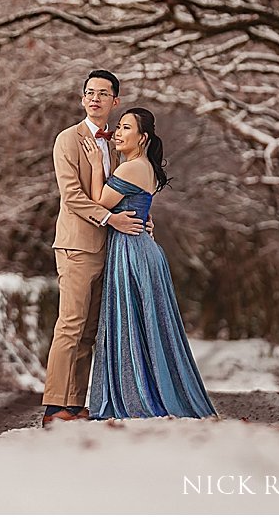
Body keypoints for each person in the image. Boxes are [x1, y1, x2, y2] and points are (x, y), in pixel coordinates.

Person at [80, 106, 218, 420]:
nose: (117, 132)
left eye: (126, 128)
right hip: (141, 248)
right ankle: (147, 389)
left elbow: (98, 201)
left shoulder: (132, 168)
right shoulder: (141, 166)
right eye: (118, 127)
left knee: (133, 323)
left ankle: (137, 396)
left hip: (131, 251)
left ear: (143, 138)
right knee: (143, 325)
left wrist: (94, 164)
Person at [41, 69, 145, 426]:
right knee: (69, 325)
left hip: (111, 248)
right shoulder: (68, 140)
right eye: (89, 93)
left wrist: (139, 218)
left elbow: (123, 192)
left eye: (103, 93)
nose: (95, 98)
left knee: (89, 330)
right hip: (76, 245)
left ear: (115, 101)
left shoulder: (117, 144)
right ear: (82, 98)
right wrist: (110, 219)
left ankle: (74, 402)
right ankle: (54, 407)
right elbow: (71, 196)